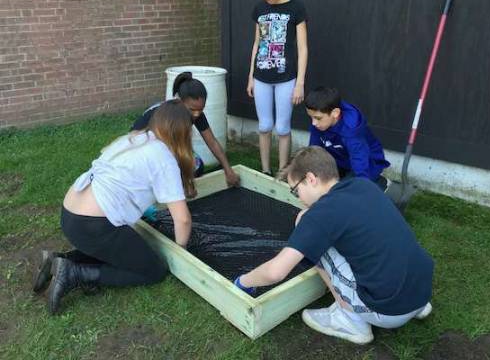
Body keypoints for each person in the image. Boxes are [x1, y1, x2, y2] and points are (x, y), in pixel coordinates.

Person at [234, 146, 434, 344]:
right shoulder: (362, 185)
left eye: (296, 191)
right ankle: (416, 306)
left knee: (311, 236)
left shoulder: (320, 216)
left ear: (310, 179)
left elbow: (275, 272)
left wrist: (243, 282)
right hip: (422, 288)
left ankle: (349, 319)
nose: (299, 199)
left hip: (390, 310)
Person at [33, 100, 195, 314]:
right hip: (93, 225)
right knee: (153, 270)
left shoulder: (135, 138)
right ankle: (75, 274)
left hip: (71, 213)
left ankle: (59, 260)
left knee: (121, 251)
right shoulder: (163, 157)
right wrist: (180, 253)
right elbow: (182, 219)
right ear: (182, 132)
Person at [247, 0, 308, 176]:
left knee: (282, 127)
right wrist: (251, 76)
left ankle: (282, 172)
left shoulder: (296, 8)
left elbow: (303, 48)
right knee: (264, 126)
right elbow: (256, 44)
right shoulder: (259, 9)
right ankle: (264, 170)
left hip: (286, 78)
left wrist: (300, 82)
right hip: (261, 77)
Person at [131, 71, 240, 186]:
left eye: (201, 109)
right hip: (141, 150)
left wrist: (228, 170)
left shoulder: (196, 114)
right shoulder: (168, 116)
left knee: (197, 166)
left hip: (167, 148)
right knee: (170, 173)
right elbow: (170, 150)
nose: (197, 114)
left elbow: (212, 142)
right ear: (179, 101)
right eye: (192, 109)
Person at [305, 86, 390, 190]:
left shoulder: (351, 128)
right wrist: (310, 170)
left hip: (367, 163)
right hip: (340, 160)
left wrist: (361, 185)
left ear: (335, 113)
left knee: (344, 192)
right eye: (311, 117)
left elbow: (359, 159)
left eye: (317, 118)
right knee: (318, 184)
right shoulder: (320, 119)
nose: (313, 123)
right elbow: (314, 149)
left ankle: (377, 183)